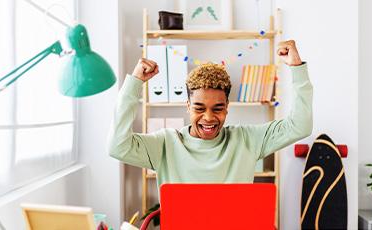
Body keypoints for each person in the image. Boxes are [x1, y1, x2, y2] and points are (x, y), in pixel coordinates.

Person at [108, 40, 312, 185]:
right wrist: (134, 84)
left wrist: (296, 68)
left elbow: (300, 126)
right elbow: (117, 146)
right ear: (187, 105)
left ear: (227, 107)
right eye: (199, 108)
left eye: (218, 108)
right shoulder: (165, 144)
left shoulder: (248, 139)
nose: (208, 117)